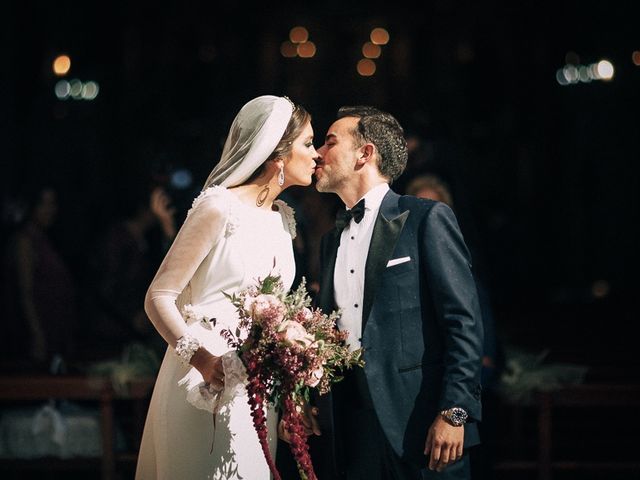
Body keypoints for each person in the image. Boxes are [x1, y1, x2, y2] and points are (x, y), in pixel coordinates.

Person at [135, 95, 318, 479]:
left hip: (256, 387)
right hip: (203, 379)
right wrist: (200, 358)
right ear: (277, 155)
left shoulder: (284, 219)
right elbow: (159, 296)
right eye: (308, 143)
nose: (316, 154)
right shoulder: (218, 207)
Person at [308, 106, 484, 479]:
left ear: (365, 153)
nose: (318, 153)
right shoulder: (329, 241)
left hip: (421, 425)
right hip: (351, 426)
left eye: (329, 142)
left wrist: (455, 412)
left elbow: (463, 323)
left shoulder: (426, 218)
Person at [407, 174, 503, 480]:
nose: (429, 216)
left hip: (453, 419)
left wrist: (454, 414)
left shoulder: (460, 266)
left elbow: (472, 338)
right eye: (422, 206)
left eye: (436, 207)